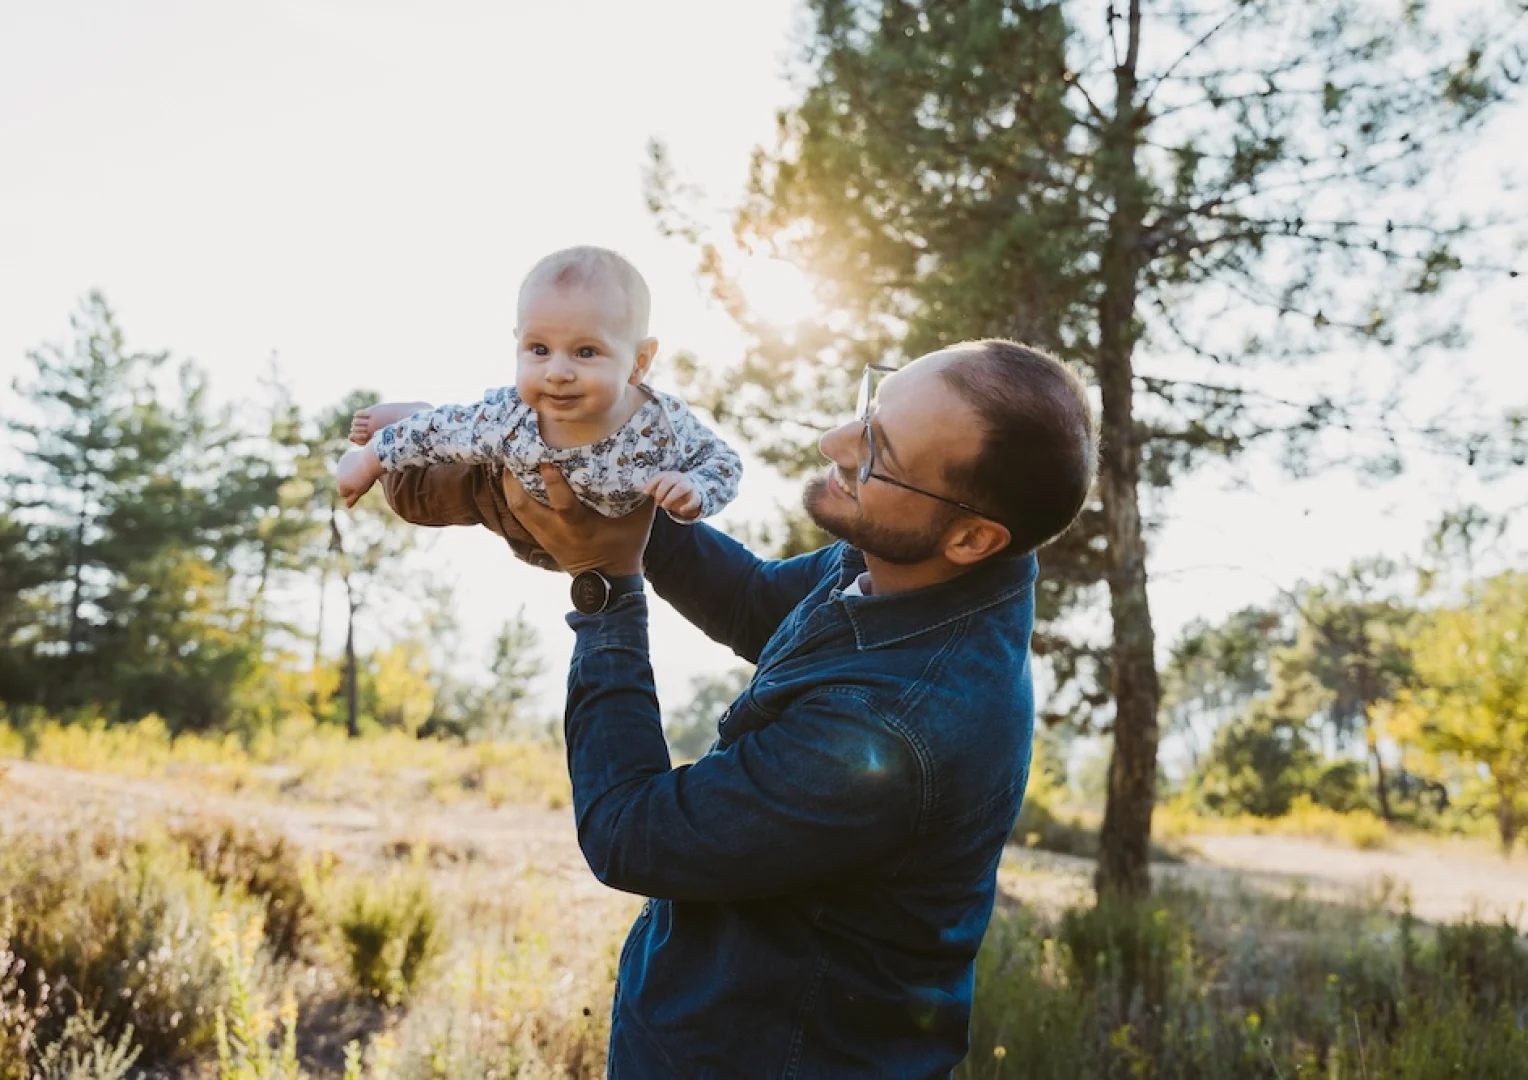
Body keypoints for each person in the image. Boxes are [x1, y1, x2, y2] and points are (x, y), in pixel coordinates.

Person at [380, 339, 1097, 1077]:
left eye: (878, 452)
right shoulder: (918, 559)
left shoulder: (892, 731)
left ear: (973, 537)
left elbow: (633, 831)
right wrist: (603, 480)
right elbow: (757, 603)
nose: (835, 443)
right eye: (869, 409)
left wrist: (605, 586)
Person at [337, 246, 742, 563]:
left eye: (585, 352)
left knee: (451, 434)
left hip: (579, 542)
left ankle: (417, 421)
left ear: (639, 362)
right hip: (495, 490)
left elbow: (722, 462)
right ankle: (413, 416)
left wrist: (696, 490)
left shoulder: (660, 425)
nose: (557, 372)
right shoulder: (514, 416)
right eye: (539, 349)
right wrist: (368, 461)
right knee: (417, 494)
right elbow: (442, 434)